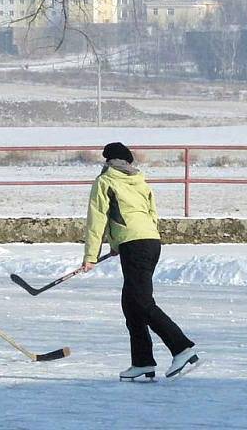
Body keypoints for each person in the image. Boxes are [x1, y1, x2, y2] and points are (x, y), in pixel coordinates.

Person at [82, 142, 200, 381]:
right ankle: (142, 362)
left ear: (107, 161)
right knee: (131, 304)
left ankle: (182, 348)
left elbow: (97, 220)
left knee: (142, 303)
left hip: (135, 245)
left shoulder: (105, 181)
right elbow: (150, 215)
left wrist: (90, 256)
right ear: (128, 163)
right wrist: (118, 244)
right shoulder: (140, 181)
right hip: (150, 242)